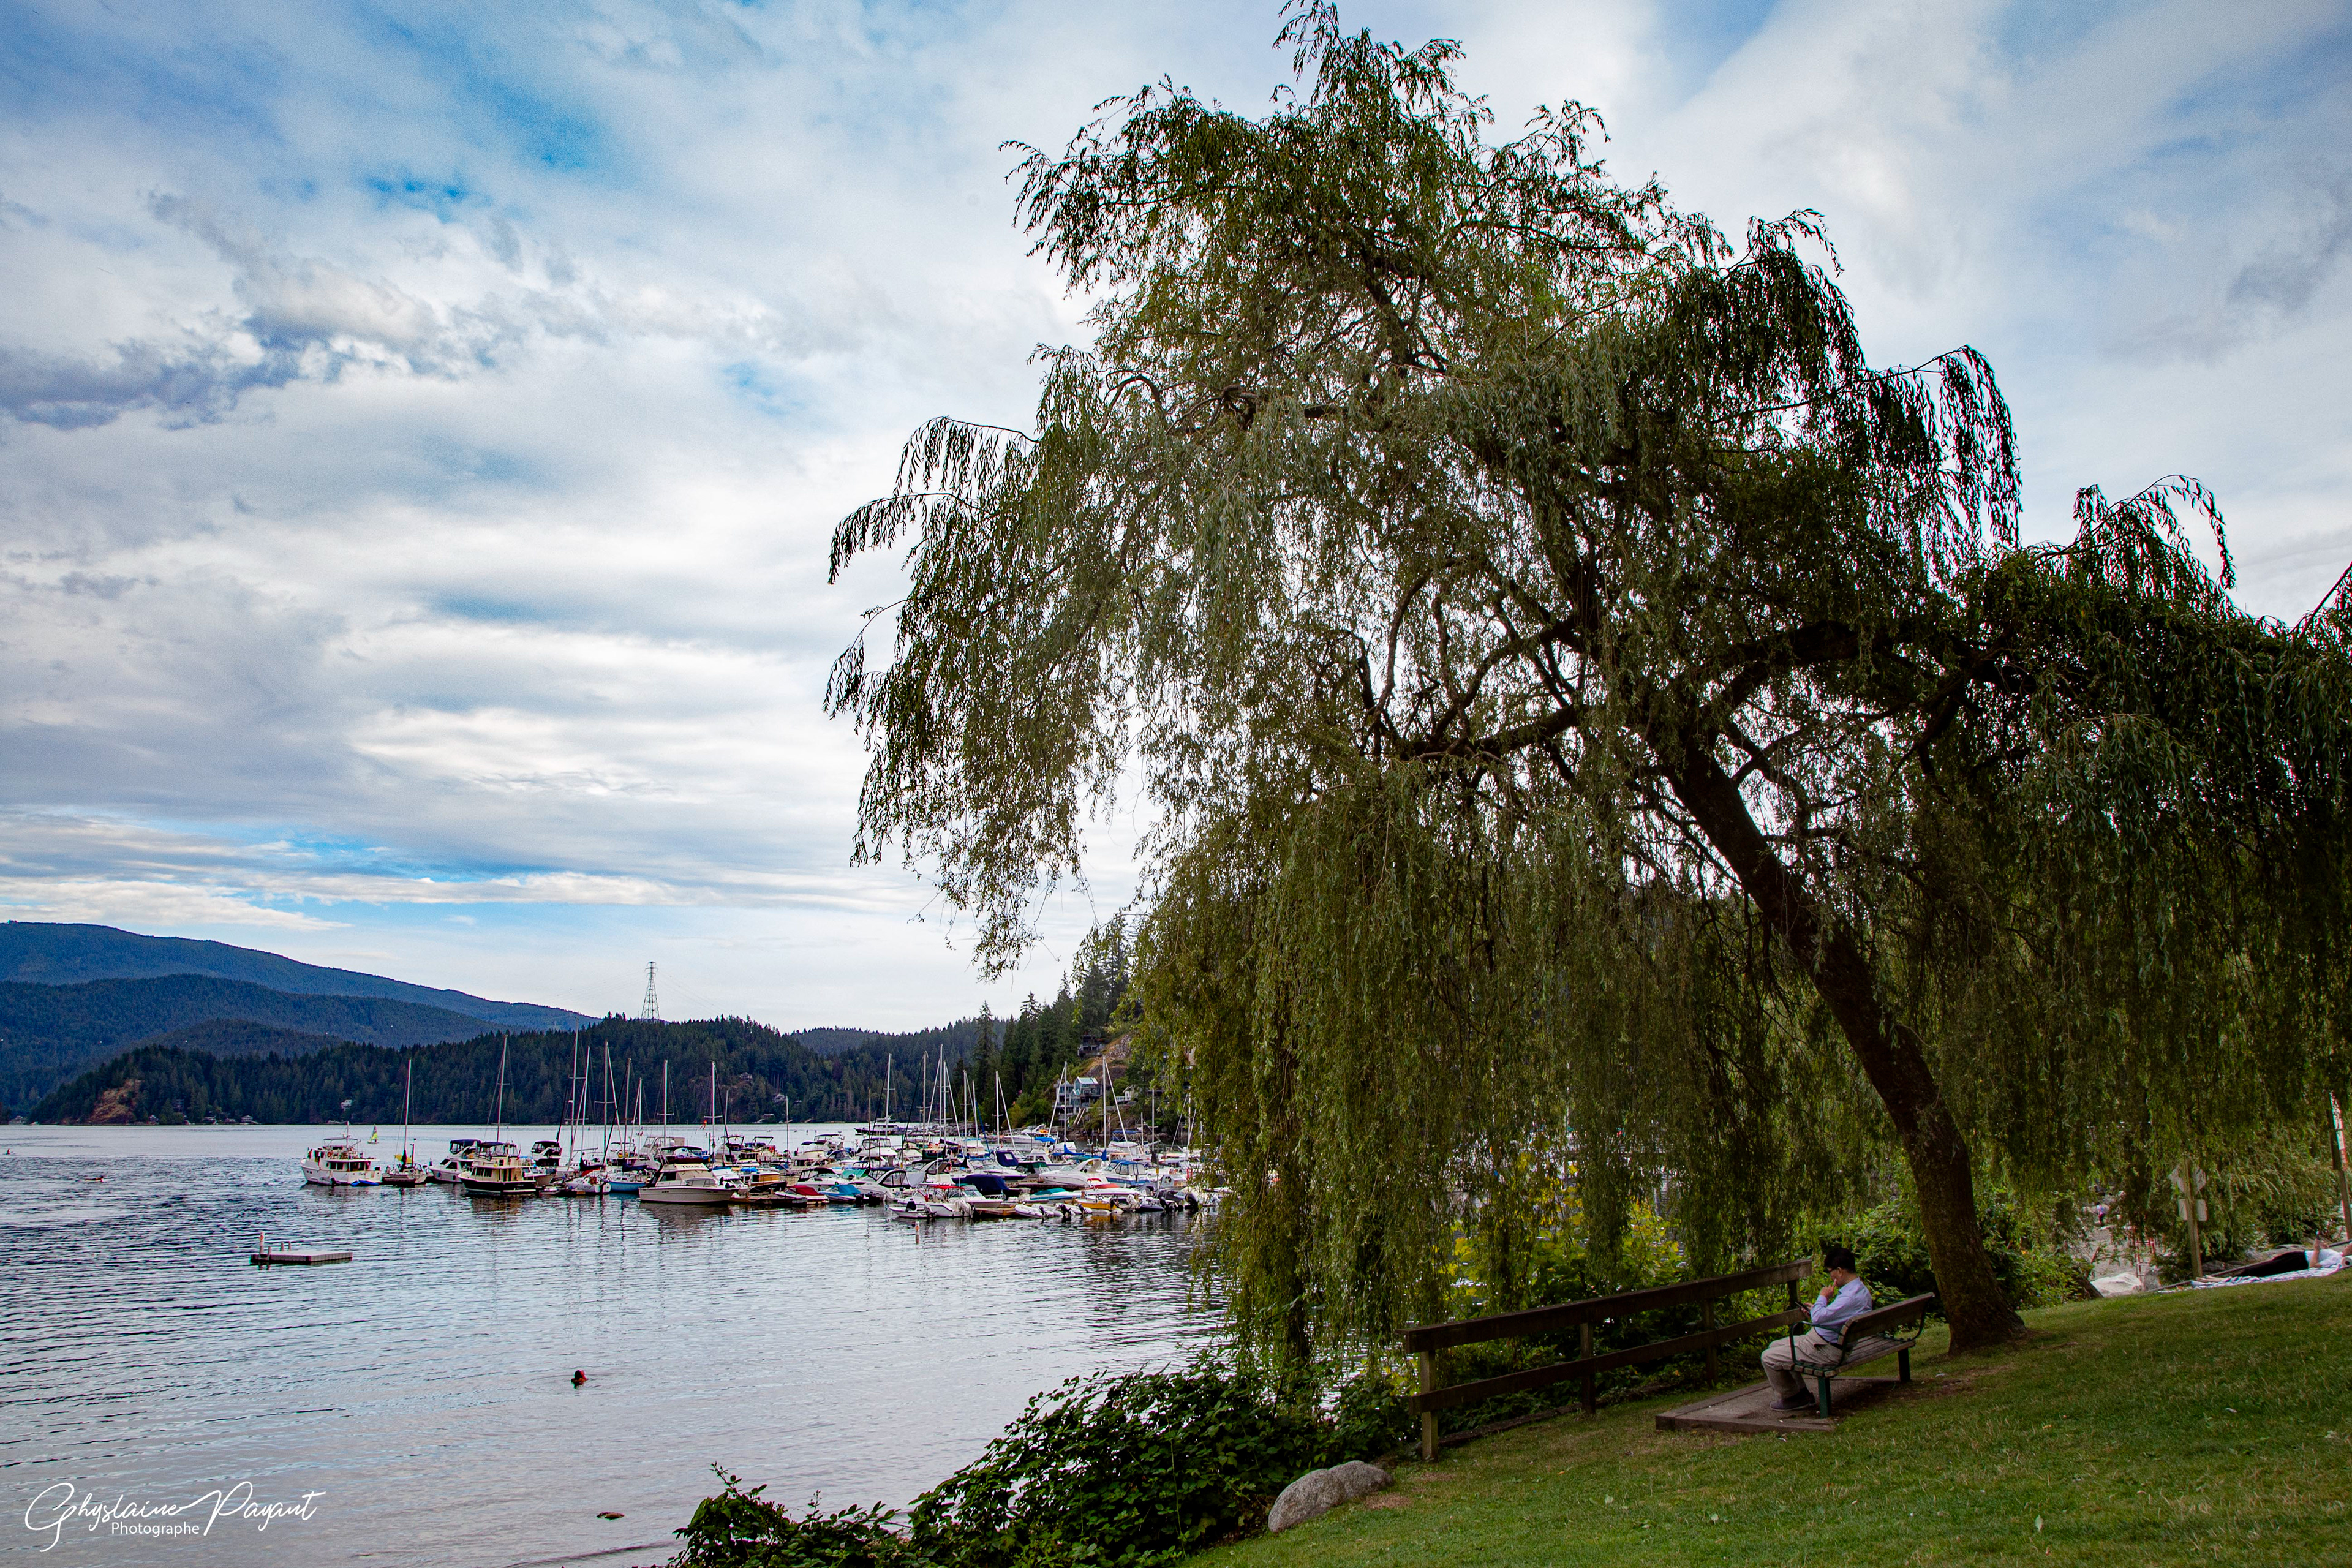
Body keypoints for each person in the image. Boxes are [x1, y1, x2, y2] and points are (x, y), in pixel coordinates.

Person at [1761, 1243, 1872, 1411]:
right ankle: (1802, 1393)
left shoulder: (1849, 1297)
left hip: (1826, 1349)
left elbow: (1822, 1316)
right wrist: (1814, 1311)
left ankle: (1793, 1397)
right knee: (1775, 1346)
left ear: (1840, 1271)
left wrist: (1823, 1298)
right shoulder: (1860, 1291)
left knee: (1768, 1357)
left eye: (1830, 1272)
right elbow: (1832, 1316)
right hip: (1831, 1343)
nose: (1830, 1277)